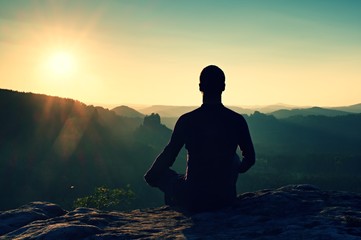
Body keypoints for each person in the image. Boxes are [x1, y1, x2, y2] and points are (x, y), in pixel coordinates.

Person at [144, 65, 255, 212]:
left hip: (194, 197)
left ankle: (176, 206)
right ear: (223, 87)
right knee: (233, 157)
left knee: (168, 177)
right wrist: (232, 169)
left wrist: (152, 176)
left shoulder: (187, 120)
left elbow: (169, 154)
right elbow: (250, 158)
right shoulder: (237, 120)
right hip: (225, 197)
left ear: (200, 87)